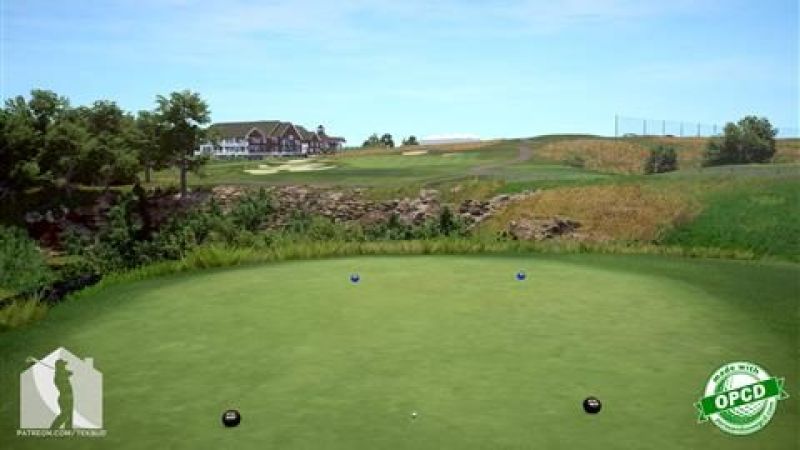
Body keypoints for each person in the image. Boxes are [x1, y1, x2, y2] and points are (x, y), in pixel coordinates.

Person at [50, 359, 74, 429]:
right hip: (64, 397)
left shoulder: (62, 373)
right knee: (65, 415)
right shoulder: (58, 376)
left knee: (69, 415)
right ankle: (53, 428)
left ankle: (68, 430)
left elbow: (71, 373)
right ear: (60, 367)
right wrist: (62, 372)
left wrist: (63, 371)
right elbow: (68, 373)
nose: (65, 366)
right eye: (63, 365)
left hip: (69, 397)